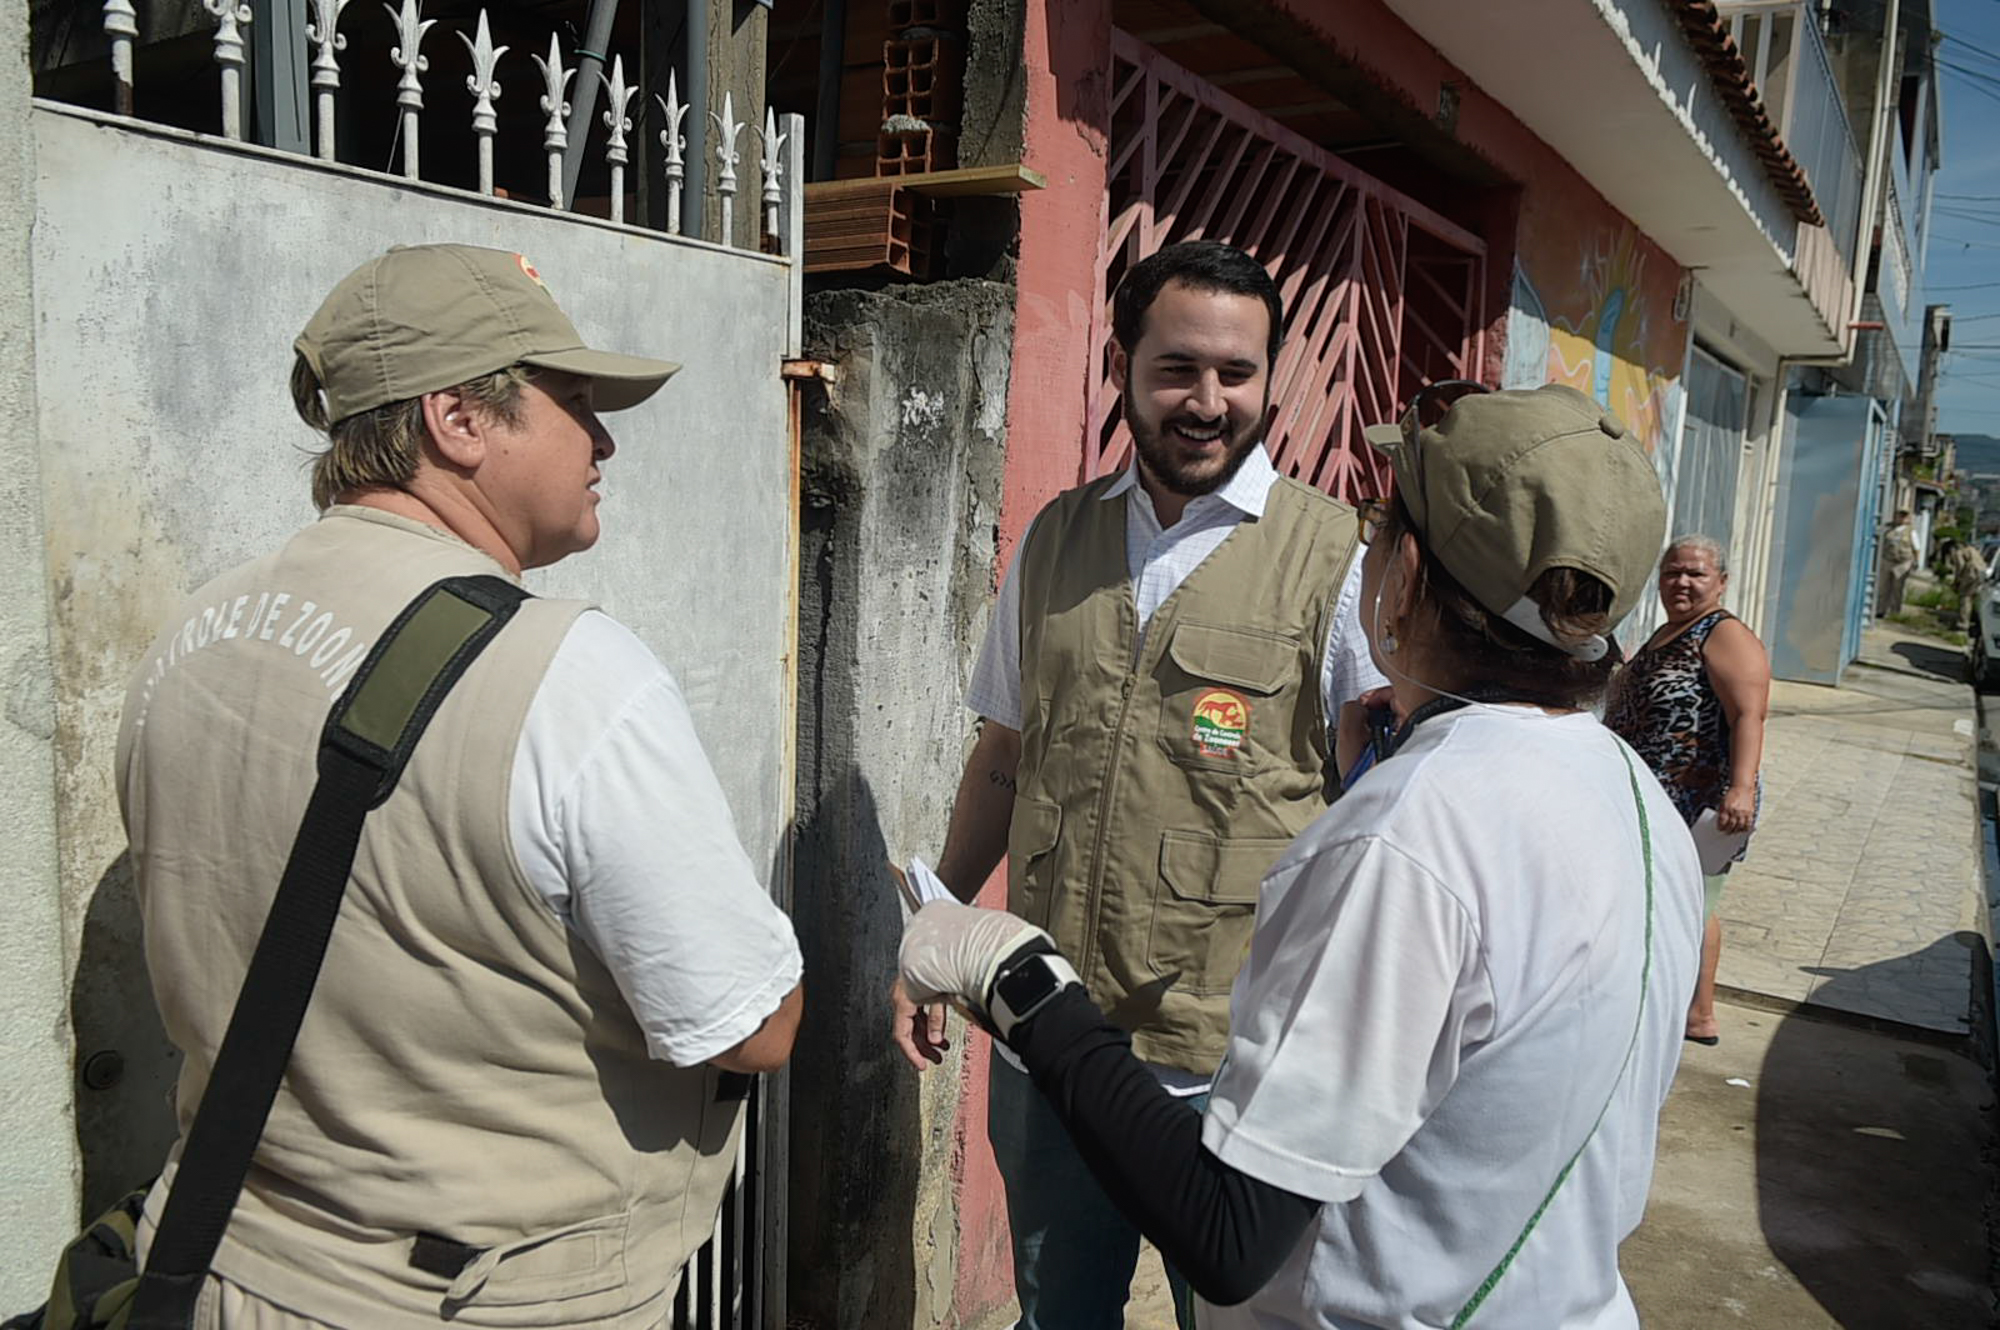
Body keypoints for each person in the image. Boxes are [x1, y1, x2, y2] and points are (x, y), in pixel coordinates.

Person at [898, 382, 1704, 1328]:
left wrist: (1016, 978)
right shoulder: (1634, 797)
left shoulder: (1401, 842)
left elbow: (1228, 1234)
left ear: (1406, 573)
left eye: (1379, 524)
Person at [118, 244, 804, 1328]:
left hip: (216, 1259)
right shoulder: (565, 672)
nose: (604, 441)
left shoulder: (194, 635)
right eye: (575, 402)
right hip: (476, 1296)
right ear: (459, 420)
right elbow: (749, 1027)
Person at [890, 240, 1384, 1329]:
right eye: (1177, 370)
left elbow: (1378, 805)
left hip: (1235, 1068)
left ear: (1268, 377)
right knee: (1056, 1315)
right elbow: (1004, 756)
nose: (1207, 402)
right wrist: (937, 928)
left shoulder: (1336, 561)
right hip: (1054, 1045)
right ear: (1121, 365)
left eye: (1236, 373)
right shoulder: (1055, 540)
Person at [1605, 536, 1769, 1048]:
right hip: (1655, 796)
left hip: (1700, 801)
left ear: (1721, 582)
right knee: (1677, 899)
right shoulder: (1668, 632)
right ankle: (1685, 1009)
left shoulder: (1723, 633)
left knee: (1692, 901)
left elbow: (1749, 714)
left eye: (1696, 574)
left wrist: (1741, 788)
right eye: (1672, 572)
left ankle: (1696, 1014)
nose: (1681, 582)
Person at [1877, 509, 1918, 618]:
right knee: (1883, 586)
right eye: (1900, 515)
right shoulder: (1888, 528)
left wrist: (1915, 562)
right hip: (1887, 560)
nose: (1902, 518)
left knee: (1897, 588)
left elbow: (1916, 547)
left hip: (1902, 563)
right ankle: (1880, 610)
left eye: (1904, 516)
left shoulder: (1910, 531)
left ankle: (1895, 612)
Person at [1946, 537, 1988, 629]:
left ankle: (1963, 623)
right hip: (1981, 574)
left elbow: (1960, 567)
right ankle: (1975, 621)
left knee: (1965, 598)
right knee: (1974, 598)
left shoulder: (1959, 552)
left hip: (1971, 574)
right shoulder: (1972, 550)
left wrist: (1957, 581)